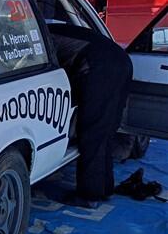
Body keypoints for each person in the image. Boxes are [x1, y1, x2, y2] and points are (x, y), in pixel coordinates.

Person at [48, 23, 133, 202]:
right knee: (105, 132)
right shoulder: (53, 30)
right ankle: (104, 188)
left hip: (100, 68)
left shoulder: (40, 38)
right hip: (121, 61)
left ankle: (89, 195)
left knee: (93, 133)